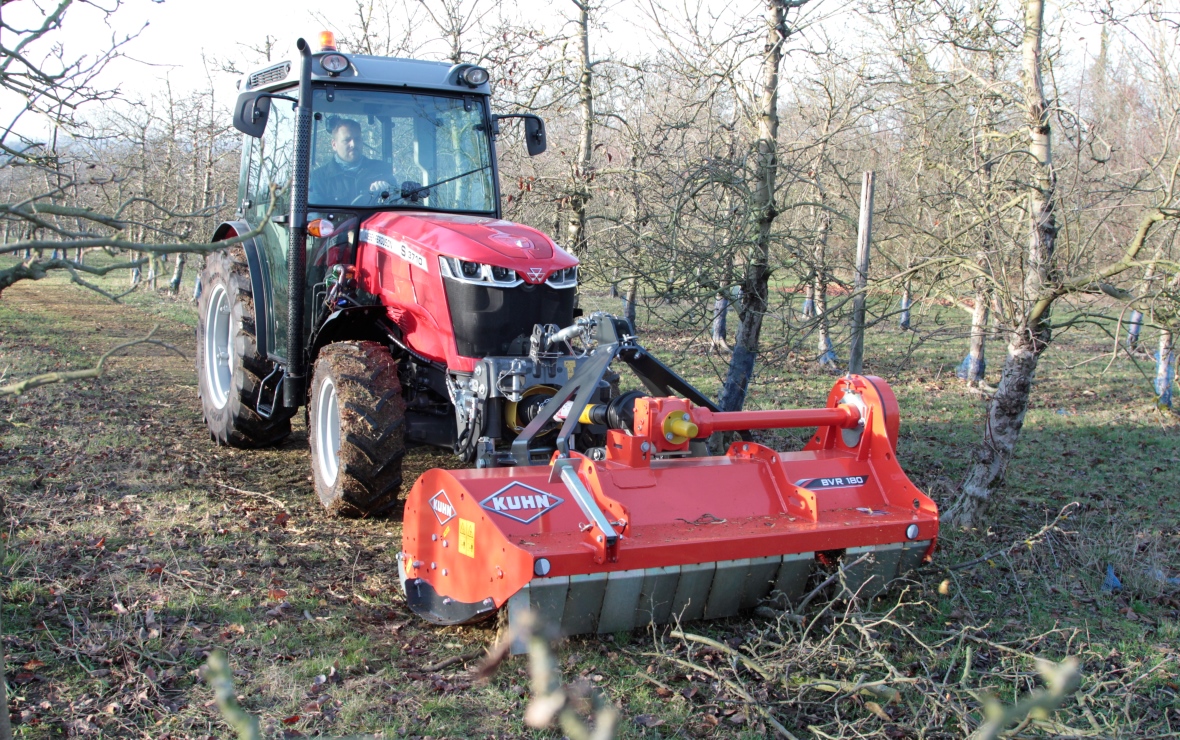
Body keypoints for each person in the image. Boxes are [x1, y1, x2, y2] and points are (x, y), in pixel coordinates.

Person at [310, 117, 394, 205]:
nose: (353, 144)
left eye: (357, 139)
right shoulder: (320, 178)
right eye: (347, 140)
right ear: (334, 144)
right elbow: (316, 215)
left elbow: (398, 203)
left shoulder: (381, 170)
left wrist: (389, 192)